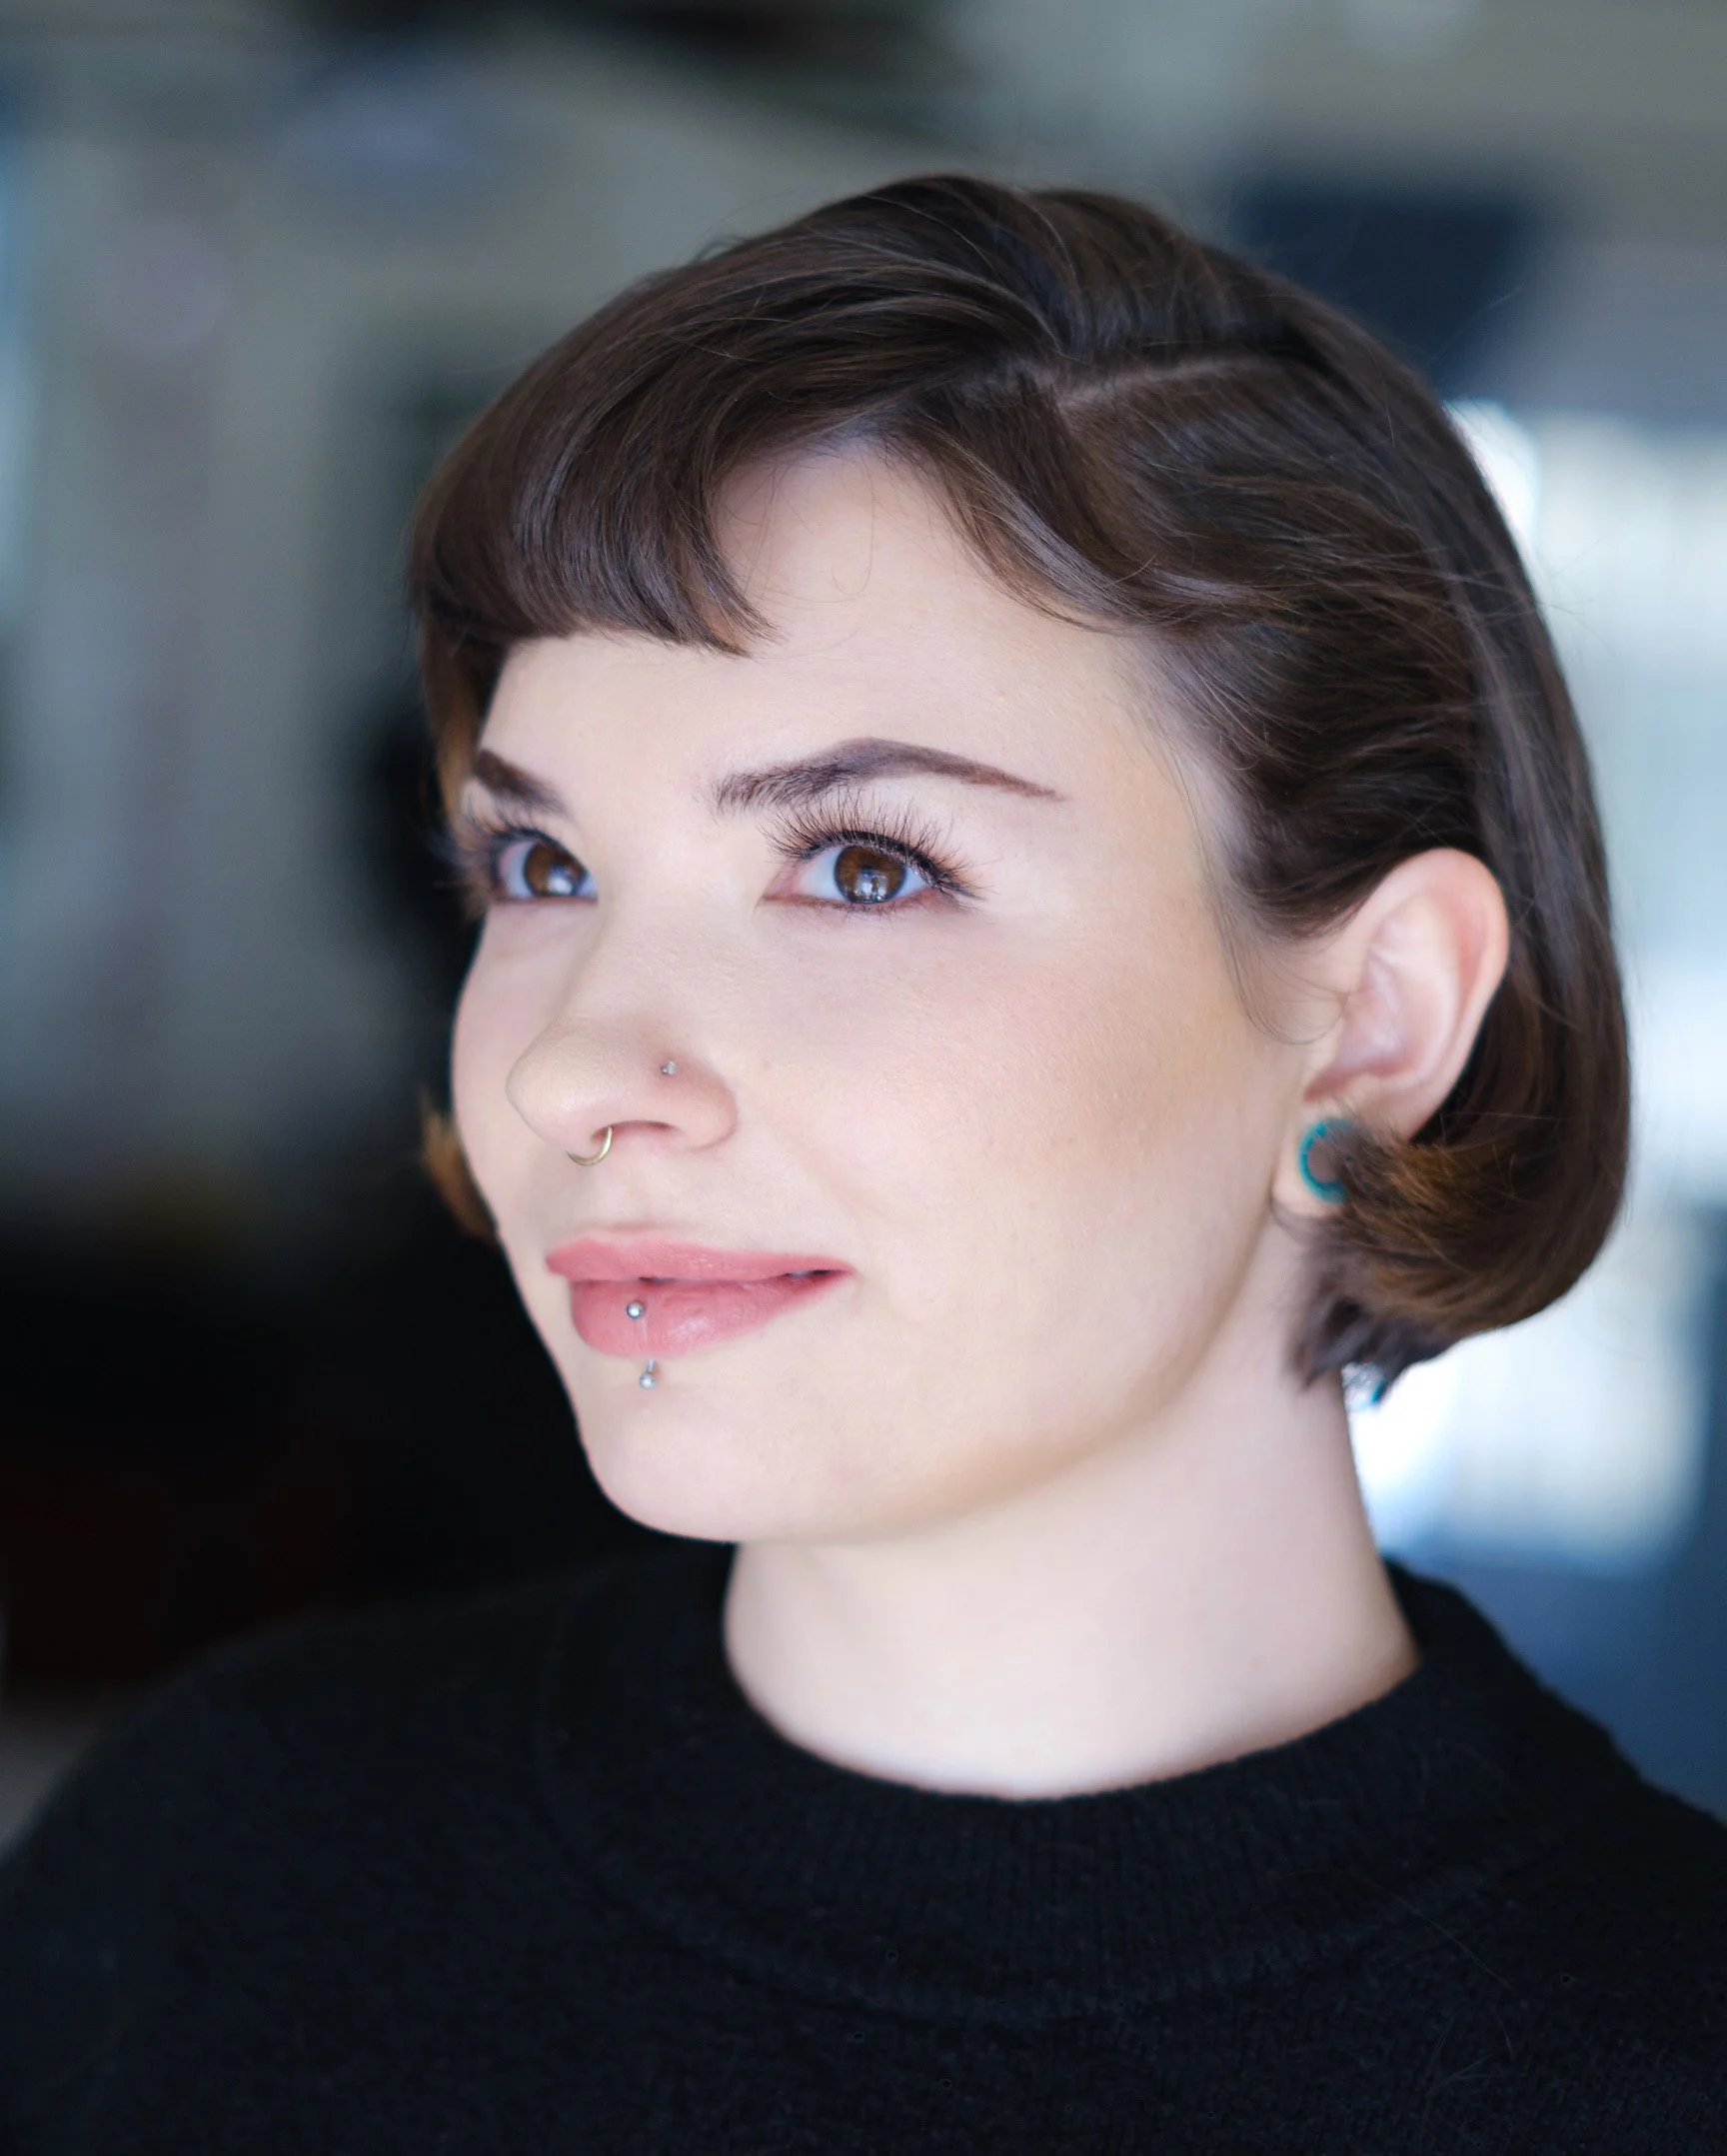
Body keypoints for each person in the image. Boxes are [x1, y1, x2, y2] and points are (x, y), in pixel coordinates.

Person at [1, 175, 1722, 2152]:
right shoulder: (215, 1868)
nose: (574, 1066)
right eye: (542, 867)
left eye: (864, 865)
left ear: (1379, 1017)